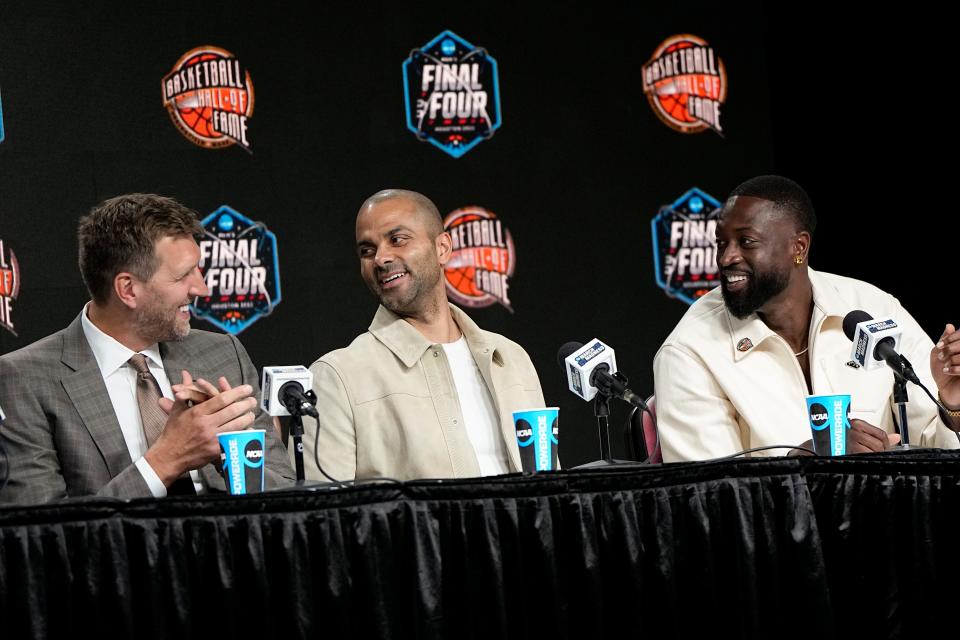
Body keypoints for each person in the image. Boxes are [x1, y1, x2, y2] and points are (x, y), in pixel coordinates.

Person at [0, 194, 294, 505]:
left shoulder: (222, 352)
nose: (202, 289)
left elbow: (286, 496)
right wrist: (167, 459)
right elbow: (41, 532)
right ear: (128, 289)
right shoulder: (25, 379)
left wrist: (230, 456)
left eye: (199, 269)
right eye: (183, 276)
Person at [653, 175, 960, 461]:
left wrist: (952, 406)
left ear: (798, 247)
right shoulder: (689, 350)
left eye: (746, 242)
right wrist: (803, 463)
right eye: (721, 242)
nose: (725, 257)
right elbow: (711, 497)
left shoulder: (876, 308)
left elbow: (938, 451)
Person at [297, 189, 544, 481]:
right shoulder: (336, 377)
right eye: (367, 250)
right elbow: (325, 517)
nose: (380, 258)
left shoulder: (511, 358)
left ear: (442, 248)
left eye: (397, 240)